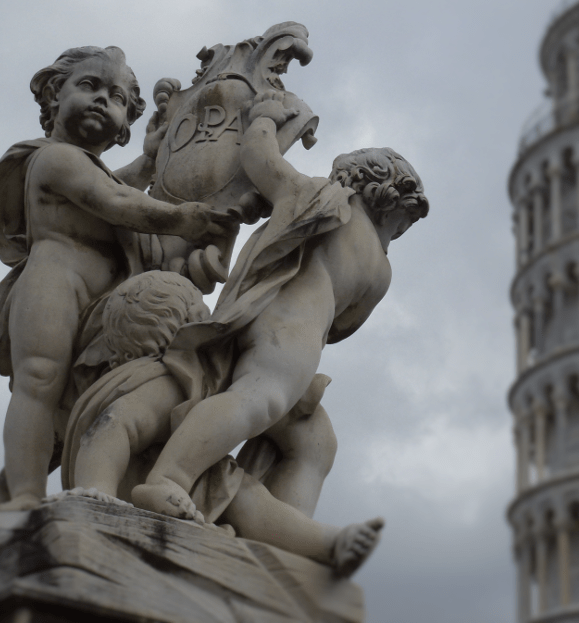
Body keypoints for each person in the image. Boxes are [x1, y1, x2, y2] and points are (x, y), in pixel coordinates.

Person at [132, 90, 429, 522]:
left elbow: (263, 159)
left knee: (314, 441)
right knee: (258, 400)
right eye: (401, 224)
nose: (397, 235)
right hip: (294, 336)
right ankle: (169, 478)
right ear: (383, 196)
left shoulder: (319, 199)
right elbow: (343, 325)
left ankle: (280, 532)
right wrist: (265, 114)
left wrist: (266, 119)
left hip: (268, 318)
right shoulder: (370, 256)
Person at [0, 46, 236, 512]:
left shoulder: (95, 170)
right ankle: (23, 496)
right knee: (39, 381)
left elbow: (116, 184)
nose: (101, 100)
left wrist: (149, 161)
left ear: (124, 123)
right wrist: (182, 218)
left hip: (103, 295)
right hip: (54, 284)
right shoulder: (53, 159)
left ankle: (25, 479)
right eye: (88, 86)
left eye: (116, 98)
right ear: (54, 96)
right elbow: (115, 202)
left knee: (70, 398)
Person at [58, 270, 382, 576]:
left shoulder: (182, 382)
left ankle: (326, 543)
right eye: (202, 313)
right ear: (186, 325)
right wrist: (97, 491)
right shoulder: (164, 381)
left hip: (190, 487)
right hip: (144, 487)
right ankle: (325, 543)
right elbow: (114, 425)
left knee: (248, 497)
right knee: (249, 501)